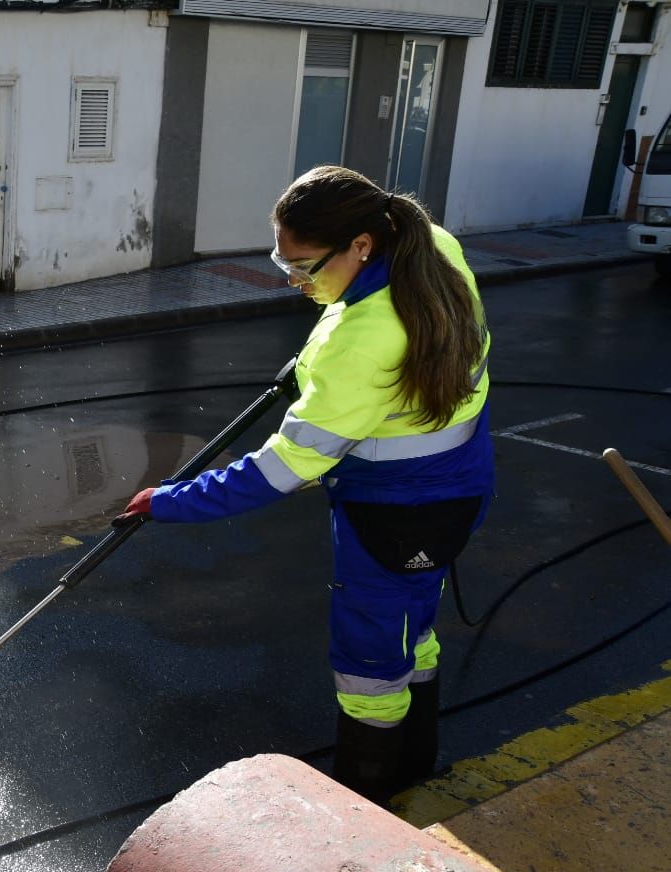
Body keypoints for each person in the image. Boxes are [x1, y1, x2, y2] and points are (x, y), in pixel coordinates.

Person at [115, 165, 493, 804]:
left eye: (305, 268)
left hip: (395, 514)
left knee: (369, 670)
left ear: (361, 246)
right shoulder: (431, 247)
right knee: (413, 630)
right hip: (459, 486)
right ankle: (417, 765)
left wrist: (171, 501)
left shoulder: (362, 341)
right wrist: (308, 366)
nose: (294, 281)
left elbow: (282, 469)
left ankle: (368, 803)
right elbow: (356, 318)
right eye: (282, 263)